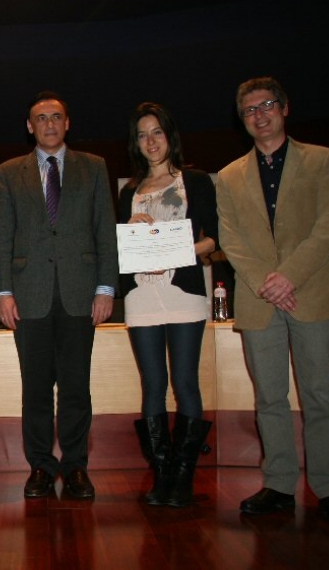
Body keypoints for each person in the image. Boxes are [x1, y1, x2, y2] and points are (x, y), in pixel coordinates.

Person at [216, 76, 329, 528]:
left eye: (267, 105)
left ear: (284, 108)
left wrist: (287, 276)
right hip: (259, 299)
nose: (260, 115)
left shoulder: (322, 159)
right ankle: (278, 484)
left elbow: (328, 226)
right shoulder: (229, 175)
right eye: (250, 110)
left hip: (310, 292)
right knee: (270, 398)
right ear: (243, 120)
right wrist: (265, 282)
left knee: (319, 394)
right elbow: (231, 240)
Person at [0, 91, 119, 499]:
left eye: (56, 117)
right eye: (40, 118)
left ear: (67, 123)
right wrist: (3, 293)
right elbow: (2, 237)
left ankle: (76, 467)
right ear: (30, 126)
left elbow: (105, 231)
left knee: (77, 387)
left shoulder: (94, 168)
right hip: (28, 297)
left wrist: (105, 287)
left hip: (82, 294)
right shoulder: (10, 173)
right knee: (36, 388)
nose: (49, 124)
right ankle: (41, 468)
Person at [118, 102, 217, 507]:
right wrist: (130, 230)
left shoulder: (194, 181)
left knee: (186, 383)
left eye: (156, 132)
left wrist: (177, 250)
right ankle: (161, 475)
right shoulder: (128, 191)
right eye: (142, 135)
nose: (150, 141)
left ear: (169, 135)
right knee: (153, 386)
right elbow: (122, 249)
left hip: (182, 295)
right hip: (142, 297)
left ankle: (183, 478)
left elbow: (215, 240)